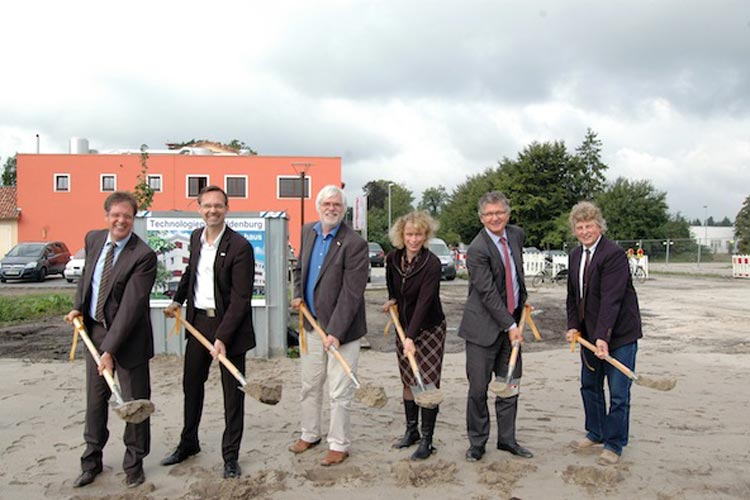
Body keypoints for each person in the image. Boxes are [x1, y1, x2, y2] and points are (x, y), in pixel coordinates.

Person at [160, 185, 256, 479]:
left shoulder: (240, 246)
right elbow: (191, 274)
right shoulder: (195, 238)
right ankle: (189, 443)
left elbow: (241, 299)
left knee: (232, 394)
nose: (212, 210)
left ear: (227, 209)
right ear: (199, 208)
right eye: (207, 206)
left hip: (230, 327)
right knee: (192, 385)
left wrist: (223, 338)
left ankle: (230, 457)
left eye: (218, 205)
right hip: (198, 323)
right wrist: (177, 300)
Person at [64, 191, 157, 489]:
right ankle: (91, 461)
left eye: (127, 216)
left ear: (134, 219)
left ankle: (134, 464)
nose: (121, 221)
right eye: (115, 215)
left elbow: (131, 308)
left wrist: (109, 351)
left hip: (128, 337)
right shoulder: (93, 240)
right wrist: (78, 307)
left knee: (134, 403)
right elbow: (87, 279)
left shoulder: (143, 256)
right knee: (96, 402)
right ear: (106, 216)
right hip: (96, 332)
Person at [288, 185, 369, 466]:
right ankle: (310, 433)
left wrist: (335, 331)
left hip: (342, 332)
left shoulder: (354, 243)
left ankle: (339, 443)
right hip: (311, 326)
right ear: (318, 206)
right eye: (327, 204)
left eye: (337, 204)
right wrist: (297, 294)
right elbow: (299, 268)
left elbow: (352, 292)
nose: (331, 208)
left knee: (339, 390)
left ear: (343, 209)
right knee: (310, 385)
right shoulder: (308, 231)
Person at [564, 201, 642, 466]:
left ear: (599, 226)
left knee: (619, 393)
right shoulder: (575, 256)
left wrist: (603, 337)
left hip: (618, 335)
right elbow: (573, 297)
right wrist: (573, 326)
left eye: (589, 226)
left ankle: (614, 443)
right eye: (580, 227)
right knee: (590, 386)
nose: (585, 231)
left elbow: (612, 300)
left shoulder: (614, 254)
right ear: (575, 229)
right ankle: (596, 432)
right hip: (589, 336)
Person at [458, 191, 533, 462]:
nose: (495, 218)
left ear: (507, 214)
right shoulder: (477, 249)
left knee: (510, 383)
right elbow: (488, 292)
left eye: (499, 212)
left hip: (512, 322)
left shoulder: (516, 235)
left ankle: (507, 440)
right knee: (479, 389)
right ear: (481, 218)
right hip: (483, 329)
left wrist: (521, 302)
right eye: (489, 214)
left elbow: (514, 274)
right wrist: (510, 324)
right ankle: (477, 443)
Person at [382, 211, 446, 460]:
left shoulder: (431, 264)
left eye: (419, 234)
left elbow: (424, 301)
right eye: (409, 234)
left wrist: (410, 336)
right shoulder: (393, 259)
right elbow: (393, 288)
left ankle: (427, 441)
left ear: (425, 235)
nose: (414, 239)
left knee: (427, 381)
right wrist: (392, 302)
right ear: (401, 235)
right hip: (404, 327)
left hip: (429, 328)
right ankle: (412, 432)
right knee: (408, 380)